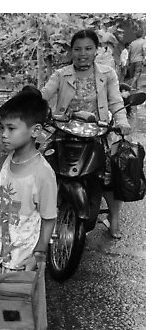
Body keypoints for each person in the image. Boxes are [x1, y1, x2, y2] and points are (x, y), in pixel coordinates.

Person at [0, 87, 57, 330]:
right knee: (3, 297)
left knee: (19, 301)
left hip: (26, 254)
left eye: (11, 128)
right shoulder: (5, 163)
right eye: (2, 128)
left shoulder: (43, 173)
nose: (4, 134)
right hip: (3, 249)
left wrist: (38, 254)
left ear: (34, 130)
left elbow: (49, 219)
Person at [41, 29, 131, 239]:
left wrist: (122, 121)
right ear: (71, 51)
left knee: (110, 173)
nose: (83, 53)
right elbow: (45, 94)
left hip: (97, 131)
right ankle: (43, 213)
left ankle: (114, 220)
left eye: (88, 48)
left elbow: (116, 100)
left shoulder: (107, 74)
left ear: (96, 50)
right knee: (44, 163)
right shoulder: (60, 75)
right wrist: (31, 101)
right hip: (64, 129)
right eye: (78, 49)